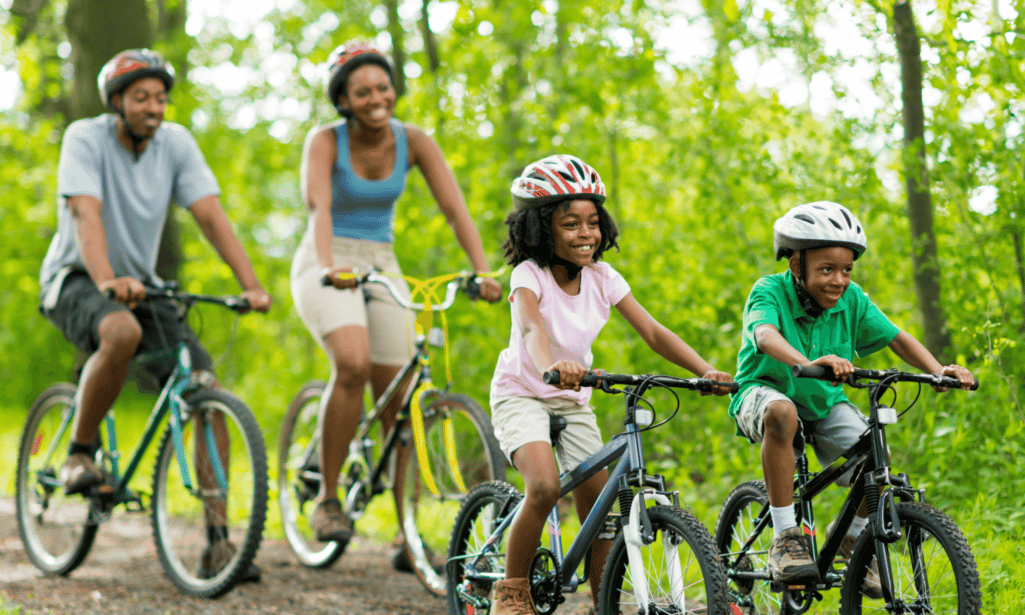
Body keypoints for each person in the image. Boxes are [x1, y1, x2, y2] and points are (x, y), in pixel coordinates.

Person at [38, 49, 272, 580]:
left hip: (142, 287)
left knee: (204, 388)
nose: (154, 107)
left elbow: (210, 215)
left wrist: (251, 285)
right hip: (75, 277)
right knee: (119, 330)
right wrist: (104, 280)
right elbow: (84, 211)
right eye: (141, 97)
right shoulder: (85, 137)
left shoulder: (176, 144)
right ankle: (78, 452)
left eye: (161, 98)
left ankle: (218, 542)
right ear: (117, 101)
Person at [487, 154, 733, 615]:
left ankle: (605, 603)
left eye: (593, 222)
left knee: (600, 509)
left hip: (573, 400)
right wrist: (552, 364)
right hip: (522, 392)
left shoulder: (603, 277)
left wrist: (704, 371)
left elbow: (654, 332)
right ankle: (512, 588)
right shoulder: (529, 275)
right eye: (571, 224)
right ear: (542, 228)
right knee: (542, 488)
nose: (586, 234)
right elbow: (529, 329)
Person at [289, 40, 503, 565]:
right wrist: (327, 267)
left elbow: (455, 210)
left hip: (381, 260)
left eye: (382, 87)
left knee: (403, 395)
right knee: (354, 364)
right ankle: (328, 498)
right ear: (343, 99)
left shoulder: (415, 141)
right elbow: (320, 209)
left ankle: (407, 533)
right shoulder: (325, 142)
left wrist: (481, 270)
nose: (376, 97)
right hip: (327, 256)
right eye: (362, 91)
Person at [728, 201, 975, 591]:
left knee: (876, 458)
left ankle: (852, 538)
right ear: (796, 267)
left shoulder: (852, 300)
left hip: (823, 401)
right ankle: (786, 536)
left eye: (846, 270)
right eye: (826, 269)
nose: (838, 281)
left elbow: (897, 338)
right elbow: (764, 335)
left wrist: (937, 369)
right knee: (781, 412)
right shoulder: (769, 291)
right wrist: (807, 360)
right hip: (764, 392)